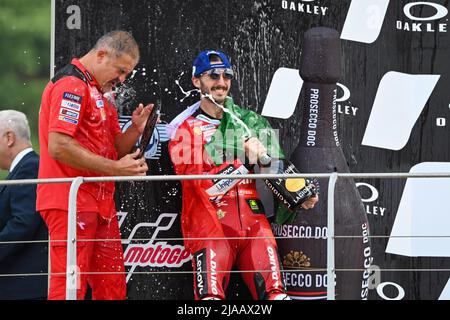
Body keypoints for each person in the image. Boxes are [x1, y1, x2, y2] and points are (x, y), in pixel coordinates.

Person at [168, 50, 318, 300]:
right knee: (210, 299)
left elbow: (275, 166)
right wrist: (245, 160)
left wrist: (298, 194)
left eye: (227, 75)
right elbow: (204, 189)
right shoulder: (185, 131)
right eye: (213, 75)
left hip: (254, 221)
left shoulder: (251, 121)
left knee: (278, 296)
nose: (221, 81)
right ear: (197, 81)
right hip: (211, 225)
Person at [37, 30, 152, 300]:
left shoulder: (100, 92)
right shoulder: (70, 85)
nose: (122, 80)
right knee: (69, 288)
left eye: (127, 74)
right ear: (101, 55)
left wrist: (135, 131)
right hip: (70, 200)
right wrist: (117, 169)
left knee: (112, 288)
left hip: (100, 202)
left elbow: (113, 150)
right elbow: (59, 146)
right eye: (121, 70)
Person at [0, 110, 48, 300]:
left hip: (26, 285)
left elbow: (23, 222)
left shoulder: (30, 167)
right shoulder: (24, 169)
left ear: (9, 137)